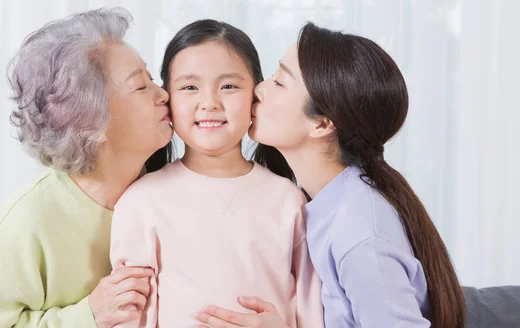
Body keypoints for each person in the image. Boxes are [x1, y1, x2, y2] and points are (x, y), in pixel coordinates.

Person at [196, 22, 466, 328]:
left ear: (322, 124)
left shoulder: (359, 230)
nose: (259, 88)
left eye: (279, 82)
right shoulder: (327, 202)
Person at [0, 8, 173, 328]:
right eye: (140, 86)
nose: (163, 94)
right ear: (91, 121)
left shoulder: (167, 194)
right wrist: (88, 315)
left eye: (151, 78)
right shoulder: (25, 223)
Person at [109, 20, 324, 327]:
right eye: (189, 87)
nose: (209, 103)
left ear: (256, 94)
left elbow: (313, 312)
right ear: (167, 97)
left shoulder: (289, 200)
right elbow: (130, 318)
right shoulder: (141, 202)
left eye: (229, 86)